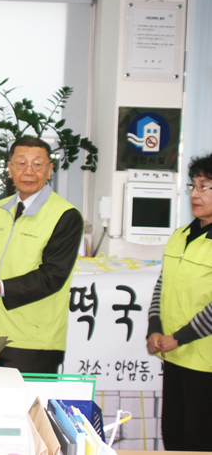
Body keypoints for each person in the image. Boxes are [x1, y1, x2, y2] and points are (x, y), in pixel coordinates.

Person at [0, 137, 83, 374]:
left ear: (49, 170)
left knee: (28, 400)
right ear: (10, 169)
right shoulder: (2, 208)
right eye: (21, 163)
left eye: (37, 164)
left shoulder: (65, 215)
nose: (29, 171)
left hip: (32, 342)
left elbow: (52, 276)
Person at [146, 154, 212, 451]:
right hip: (174, 356)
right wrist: (154, 329)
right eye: (193, 185)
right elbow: (162, 286)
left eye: (205, 186)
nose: (195, 194)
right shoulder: (181, 235)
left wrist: (179, 337)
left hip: (204, 361)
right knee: (173, 435)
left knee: (201, 440)